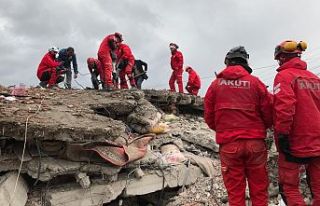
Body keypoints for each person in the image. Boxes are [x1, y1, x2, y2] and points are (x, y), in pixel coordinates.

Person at [204, 46, 273, 206]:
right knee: (259, 190)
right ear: (245, 63)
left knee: (235, 194)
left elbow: (209, 117)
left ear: (228, 62)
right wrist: (260, 129)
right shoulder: (256, 83)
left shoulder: (215, 85)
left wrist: (224, 131)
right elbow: (268, 114)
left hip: (229, 145)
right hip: (255, 144)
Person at [273, 40, 320, 205]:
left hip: (295, 142)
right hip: (317, 142)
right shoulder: (315, 78)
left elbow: (284, 108)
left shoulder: (284, 76)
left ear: (283, 58)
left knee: (289, 187)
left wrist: (282, 136)